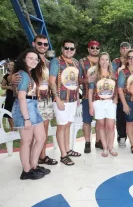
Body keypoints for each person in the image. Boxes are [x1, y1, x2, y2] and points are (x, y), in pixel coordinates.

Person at [12, 49, 50, 180]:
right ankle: (26, 171)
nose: (34, 61)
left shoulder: (29, 74)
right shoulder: (22, 74)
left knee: (40, 137)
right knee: (26, 141)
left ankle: (34, 165)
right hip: (25, 108)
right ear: (24, 59)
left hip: (32, 107)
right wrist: (26, 118)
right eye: (30, 58)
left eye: (36, 59)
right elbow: (22, 97)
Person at [49, 39, 81, 166]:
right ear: (62, 49)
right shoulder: (56, 61)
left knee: (68, 125)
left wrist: (78, 96)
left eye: (71, 48)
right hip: (61, 99)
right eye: (66, 48)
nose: (69, 50)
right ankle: (63, 155)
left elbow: (76, 81)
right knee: (61, 126)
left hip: (72, 99)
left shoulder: (76, 62)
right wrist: (56, 98)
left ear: (74, 50)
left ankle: (67, 149)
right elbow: (51, 81)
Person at [31, 35, 58, 166]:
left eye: (45, 44)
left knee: (45, 128)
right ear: (34, 44)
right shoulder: (29, 60)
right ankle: (31, 160)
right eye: (40, 43)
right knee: (31, 131)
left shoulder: (49, 62)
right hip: (33, 101)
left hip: (46, 100)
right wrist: (13, 79)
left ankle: (42, 156)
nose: (42, 46)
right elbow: (16, 75)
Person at [89, 52, 118, 157]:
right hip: (98, 101)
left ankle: (111, 147)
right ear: (99, 61)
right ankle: (105, 148)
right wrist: (91, 106)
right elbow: (91, 92)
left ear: (109, 61)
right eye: (102, 59)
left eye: (106, 59)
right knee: (101, 125)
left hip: (110, 102)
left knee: (111, 126)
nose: (104, 62)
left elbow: (117, 90)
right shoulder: (94, 75)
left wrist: (116, 98)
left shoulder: (113, 75)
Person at [112, 42, 133, 147]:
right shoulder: (116, 62)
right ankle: (121, 135)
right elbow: (112, 75)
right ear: (120, 50)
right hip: (119, 92)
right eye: (123, 48)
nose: (125, 50)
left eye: (127, 48)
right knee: (121, 115)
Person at [79, 40, 102, 153]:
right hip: (87, 96)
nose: (95, 50)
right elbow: (77, 79)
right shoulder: (82, 62)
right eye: (92, 47)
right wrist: (86, 80)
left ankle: (99, 141)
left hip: (101, 97)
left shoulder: (103, 61)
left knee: (100, 120)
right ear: (88, 49)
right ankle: (87, 143)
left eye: (97, 48)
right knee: (87, 121)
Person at [1, 60, 15, 131]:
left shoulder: (19, 75)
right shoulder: (6, 76)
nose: (10, 66)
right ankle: (12, 128)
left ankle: (17, 127)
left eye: (12, 65)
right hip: (10, 95)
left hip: (18, 95)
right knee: (9, 111)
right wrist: (9, 87)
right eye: (9, 65)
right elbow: (2, 86)